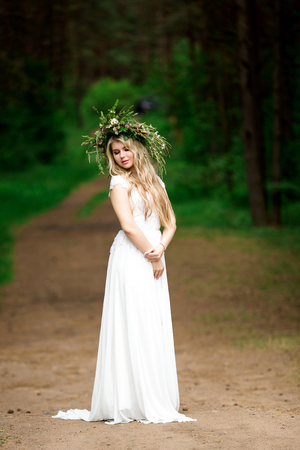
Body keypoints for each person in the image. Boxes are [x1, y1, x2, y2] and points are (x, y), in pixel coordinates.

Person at [53, 101, 195, 424]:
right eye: (115, 152)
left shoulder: (156, 181)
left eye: (125, 149)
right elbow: (129, 226)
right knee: (133, 320)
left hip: (153, 252)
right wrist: (152, 254)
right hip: (132, 257)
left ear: (136, 148)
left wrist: (160, 249)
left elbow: (171, 222)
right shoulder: (119, 184)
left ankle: (152, 396)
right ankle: (129, 399)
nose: (121, 156)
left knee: (152, 322)